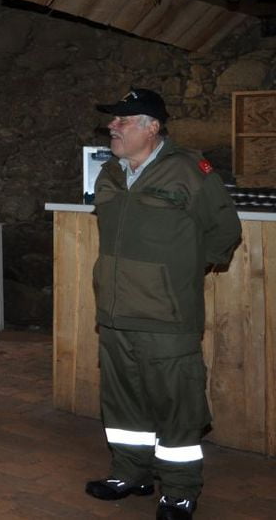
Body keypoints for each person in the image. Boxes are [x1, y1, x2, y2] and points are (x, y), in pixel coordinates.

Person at [85, 88, 241, 520]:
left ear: (152, 127)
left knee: (177, 407)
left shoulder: (190, 169)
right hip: (114, 314)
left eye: (123, 119)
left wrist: (182, 272)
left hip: (166, 317)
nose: (112, 126)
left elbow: (225, 230)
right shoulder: (110, 173)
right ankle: (130, 473)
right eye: (113, 119)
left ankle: (179, 491)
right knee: (123, 404)